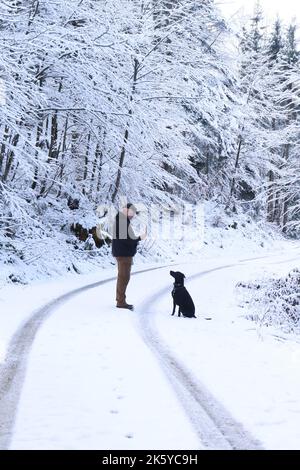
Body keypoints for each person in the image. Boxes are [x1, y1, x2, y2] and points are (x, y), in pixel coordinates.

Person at [112, 203, 147, 310]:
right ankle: (121, 302)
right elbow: (127, 240)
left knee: (122, 277)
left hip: (122, 253)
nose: (133, 215)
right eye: (132, 213)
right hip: (124, 254)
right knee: (124, 278)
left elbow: (126, 238)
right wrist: (140, 238)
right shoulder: (122, 222)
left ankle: (120, 300)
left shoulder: (121, 221)